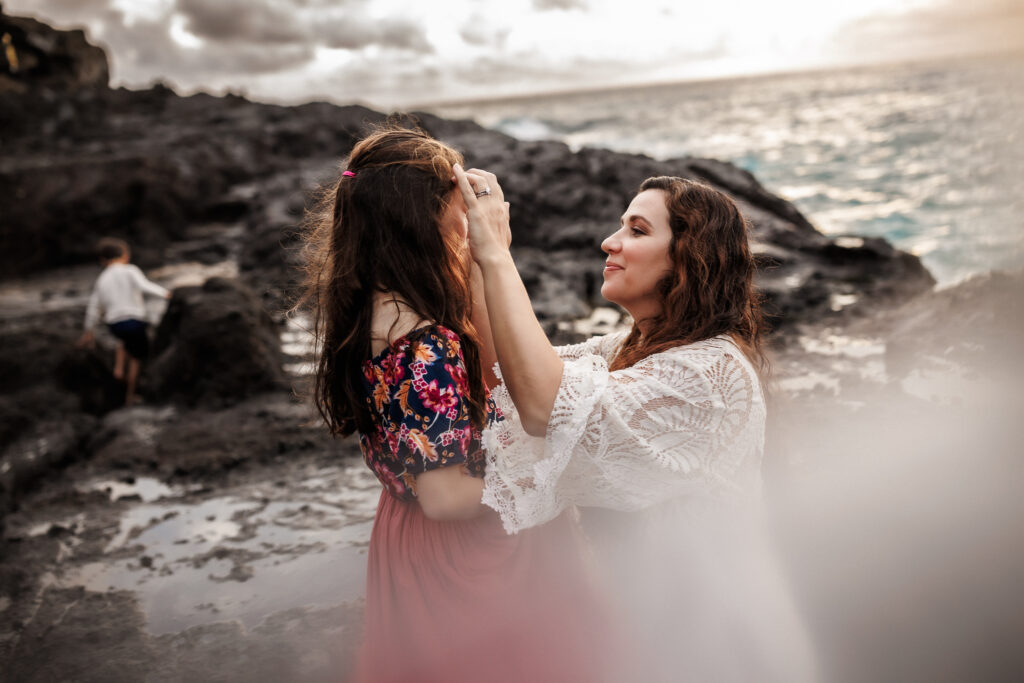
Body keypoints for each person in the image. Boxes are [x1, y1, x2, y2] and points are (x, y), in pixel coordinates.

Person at [451, 166, 818, 681]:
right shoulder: (627, 350)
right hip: (649, 626)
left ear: (691, 259)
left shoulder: (710, 373)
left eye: (637, 231)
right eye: (621, 227)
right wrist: (476, 254)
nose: (609, 242)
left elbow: (542, 405)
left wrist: (496, 253)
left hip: (714, 641)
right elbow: (504, 374)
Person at [300, 125, 602, 683]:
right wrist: (555, 475)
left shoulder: (377, 306)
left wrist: (491, 257)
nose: (467, 217)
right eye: (456, 205)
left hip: (407, 533)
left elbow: (493, 373)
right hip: (463, 551)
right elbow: (444, 496)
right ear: (425, 218)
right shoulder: (423, 343)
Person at [78, 237, 170, 404]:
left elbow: (93, 308)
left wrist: (88, 331)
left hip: (114, 324)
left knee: (125, 341)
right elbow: (145, 286)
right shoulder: (130, 270)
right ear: (125, 255)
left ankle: (118, 369)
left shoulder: (102, 279)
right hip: (133, 321)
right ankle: (130, 396)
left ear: (102, 260)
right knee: (137, 357)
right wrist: (166, 294)